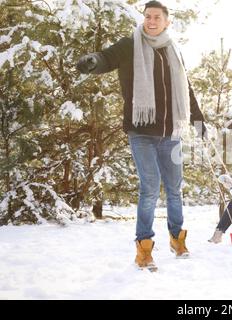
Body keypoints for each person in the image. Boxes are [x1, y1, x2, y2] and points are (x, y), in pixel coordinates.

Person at [76, 1, 207, 271]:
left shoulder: (174, 50)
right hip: (141, 131)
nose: (151, 20)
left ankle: (177, 239)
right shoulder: (130, 46)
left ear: (167, 21)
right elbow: (107, 58)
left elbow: (186, 88)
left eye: (157, 16)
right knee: (149, 188)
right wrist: (93, 62)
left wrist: (197, 118)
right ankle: (144, 249)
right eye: (147, 16)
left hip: (171, 132)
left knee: (174, 190)